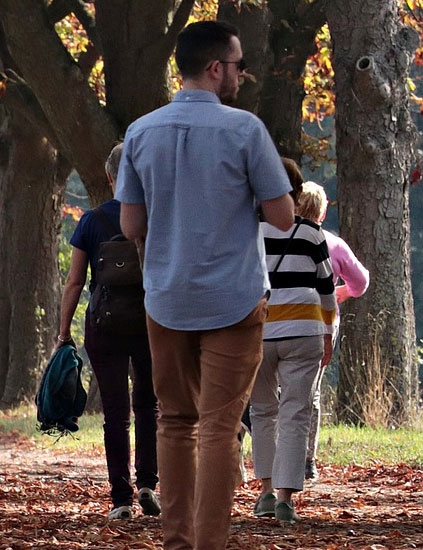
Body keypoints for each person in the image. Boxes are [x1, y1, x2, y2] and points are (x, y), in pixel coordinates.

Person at [117, 21, 295, 550]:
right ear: (216, 68)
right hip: (235, 297)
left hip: (166, 296)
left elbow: (130, 227)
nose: (242, 73)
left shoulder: (141, 132)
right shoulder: (245, 131)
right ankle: (210, 543)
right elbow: (283, 217)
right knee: (219, 426)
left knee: (173, 421)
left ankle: (176, 541)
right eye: (238, 65)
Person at [55, 143, 161, 520]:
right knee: (149, 404)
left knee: (116, 411)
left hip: (105, 324)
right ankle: (149, 482)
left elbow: (73, 282)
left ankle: (121, 499)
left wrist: (63, 331)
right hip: (151, 322)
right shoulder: (155, 217)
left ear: (111, 177)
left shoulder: (92, 220)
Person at [247, 176, 335, 525]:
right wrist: (327, 330)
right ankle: (286, 499)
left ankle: (266, 491)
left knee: (262, 411)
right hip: (304, 330)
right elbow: (327, 287)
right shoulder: (312, 234)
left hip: (259, 331)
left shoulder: (250, 232)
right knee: (295, 413)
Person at [301, 180, 366, 481]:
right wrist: (344, 292)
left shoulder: (277, 237)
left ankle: (277, 454)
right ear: (323, 213)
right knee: (311, 391)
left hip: (278, 320)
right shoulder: (334, 244)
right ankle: (307, 459)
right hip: (322, 321)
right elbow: (361, 281)